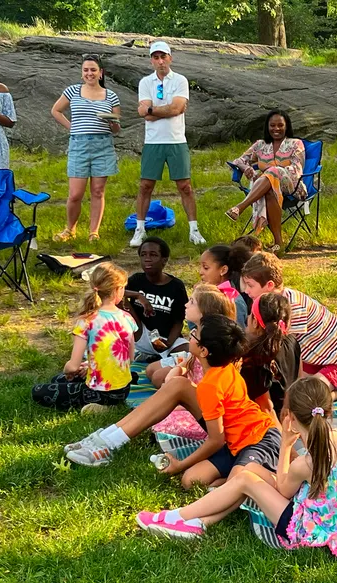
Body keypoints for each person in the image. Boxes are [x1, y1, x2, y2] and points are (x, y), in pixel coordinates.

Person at [136, 377, 337, 561]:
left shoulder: (304, 464)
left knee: (246, 480)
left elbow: (283, 490)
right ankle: (199, 523)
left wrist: (286, 444)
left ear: (292, 418)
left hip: (308, 529)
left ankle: (176, 517)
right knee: (250, 468)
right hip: (330, 519)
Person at [71, 315, 282, 491]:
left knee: (192, 481)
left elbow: (216, 440)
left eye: (195, 334)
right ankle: (108, 439)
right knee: (178, 385)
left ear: (204, 351)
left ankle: (255, 477)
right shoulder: (224, 363)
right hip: (233, 440)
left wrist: (180, 465)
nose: (190, 333)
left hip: (258, 440)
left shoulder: (211, 384)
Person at [241, 252, 337, 396]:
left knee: (304, 396)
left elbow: (293, 351)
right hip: (316, 357)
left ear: (269, 285)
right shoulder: (271, 304)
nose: (246, 290)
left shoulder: (292, 309)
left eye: (250, 285)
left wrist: (296, 385)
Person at [32, 263, 136, 413]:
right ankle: (111, 403)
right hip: (123, 390)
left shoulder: (87, 321)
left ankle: (103, 407)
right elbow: (130, 358)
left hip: (98, 390)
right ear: (118, 290)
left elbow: (73, 367)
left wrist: (69, 370)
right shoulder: (127, 318)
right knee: (57, 380)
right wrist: (89, 365)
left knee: (38, 391)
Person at [131, 41, 205, 247]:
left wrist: (153, 110)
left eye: (163, 56)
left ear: (170, 58)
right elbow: (146, 113)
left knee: (185, 186)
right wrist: (162, 110)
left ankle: (194, 230)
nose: (160, 61)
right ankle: (139, 229)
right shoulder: (146, 82)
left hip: (176, 140)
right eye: (156, 57)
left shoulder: (180, 80)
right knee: (146, 186)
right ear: (151, 61)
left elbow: (176, 108)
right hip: (153, 141)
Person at [51, 54, 122, 242]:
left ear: (101, 73)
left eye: (93, 70)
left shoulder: (111, 96)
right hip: (79, 145)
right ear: (82, 73)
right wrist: (71, 127)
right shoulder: (72, 91)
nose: (89, 73)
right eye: (86, 70)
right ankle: (70, 230)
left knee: (98, 191)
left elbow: (116, 128)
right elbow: (56, 110)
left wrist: (112, 123)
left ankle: (94, 232)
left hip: (103, 145)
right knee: (75, 194)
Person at [226, 110, 306, 251]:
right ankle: (279, 244)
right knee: (269, 190)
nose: (276, 129)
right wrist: (246, 167)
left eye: (280, 125)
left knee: (273, 172)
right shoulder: (260, 145)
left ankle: (241, 206)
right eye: (272, 125)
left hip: (292, 185)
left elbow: (297, 169)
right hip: (266, 187)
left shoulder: (296, 144)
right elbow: (238, 161)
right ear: (267, 127)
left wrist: (270, 172)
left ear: (287, 126)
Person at [144, 283, 234, 389]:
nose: (186, 305)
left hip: (202, 388)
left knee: (158, 378)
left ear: (205, 311)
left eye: (192, 302)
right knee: (150, 370)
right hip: (189, 366)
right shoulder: (197, 331)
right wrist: (177, 370)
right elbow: (191, 359)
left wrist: (176, 384)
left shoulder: (212, 342)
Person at [124, 236, 189, 359]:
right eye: (143, 255)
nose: (147, 259)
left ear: (164, 260)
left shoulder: (176, 286)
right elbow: (109, 290)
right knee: (118, 298)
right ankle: (139, 351)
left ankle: (153, 357)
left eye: (153, 255)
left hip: (165, 338)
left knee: (191, 352)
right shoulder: (136, 280)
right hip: (139, 333)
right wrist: (138, 296)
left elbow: (178, 321)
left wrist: (168, 343)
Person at [241, 292, 301, 420]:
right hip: (289, 410)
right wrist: (287, 407)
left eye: (251, 314)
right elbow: (298, 379)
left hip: (268, 421)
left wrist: (281, 431)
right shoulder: (292, 341)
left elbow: (267, 408)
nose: (247, 317)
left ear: (255, 322)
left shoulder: (253, 359)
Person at [198, 245, 248, 326]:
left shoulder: (233, 302)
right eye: (200, 266)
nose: (200, 272)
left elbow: (237, 331)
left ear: (223, 270)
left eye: (206, 268)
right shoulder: (204, 293)